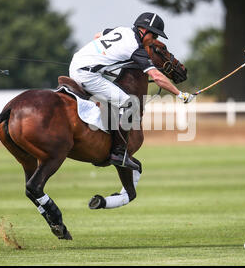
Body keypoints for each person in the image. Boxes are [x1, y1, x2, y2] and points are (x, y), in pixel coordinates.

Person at [69, 12, 194, 170]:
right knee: (129, 104)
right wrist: (180, 94)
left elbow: (97, 36)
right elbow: (156, 76)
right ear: (144, 30)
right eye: (154, 36)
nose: (154, 41)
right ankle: (118, 153)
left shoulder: (121, 30)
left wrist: (103, 60)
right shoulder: (136, 47)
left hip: (77, 63)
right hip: (87, 75)